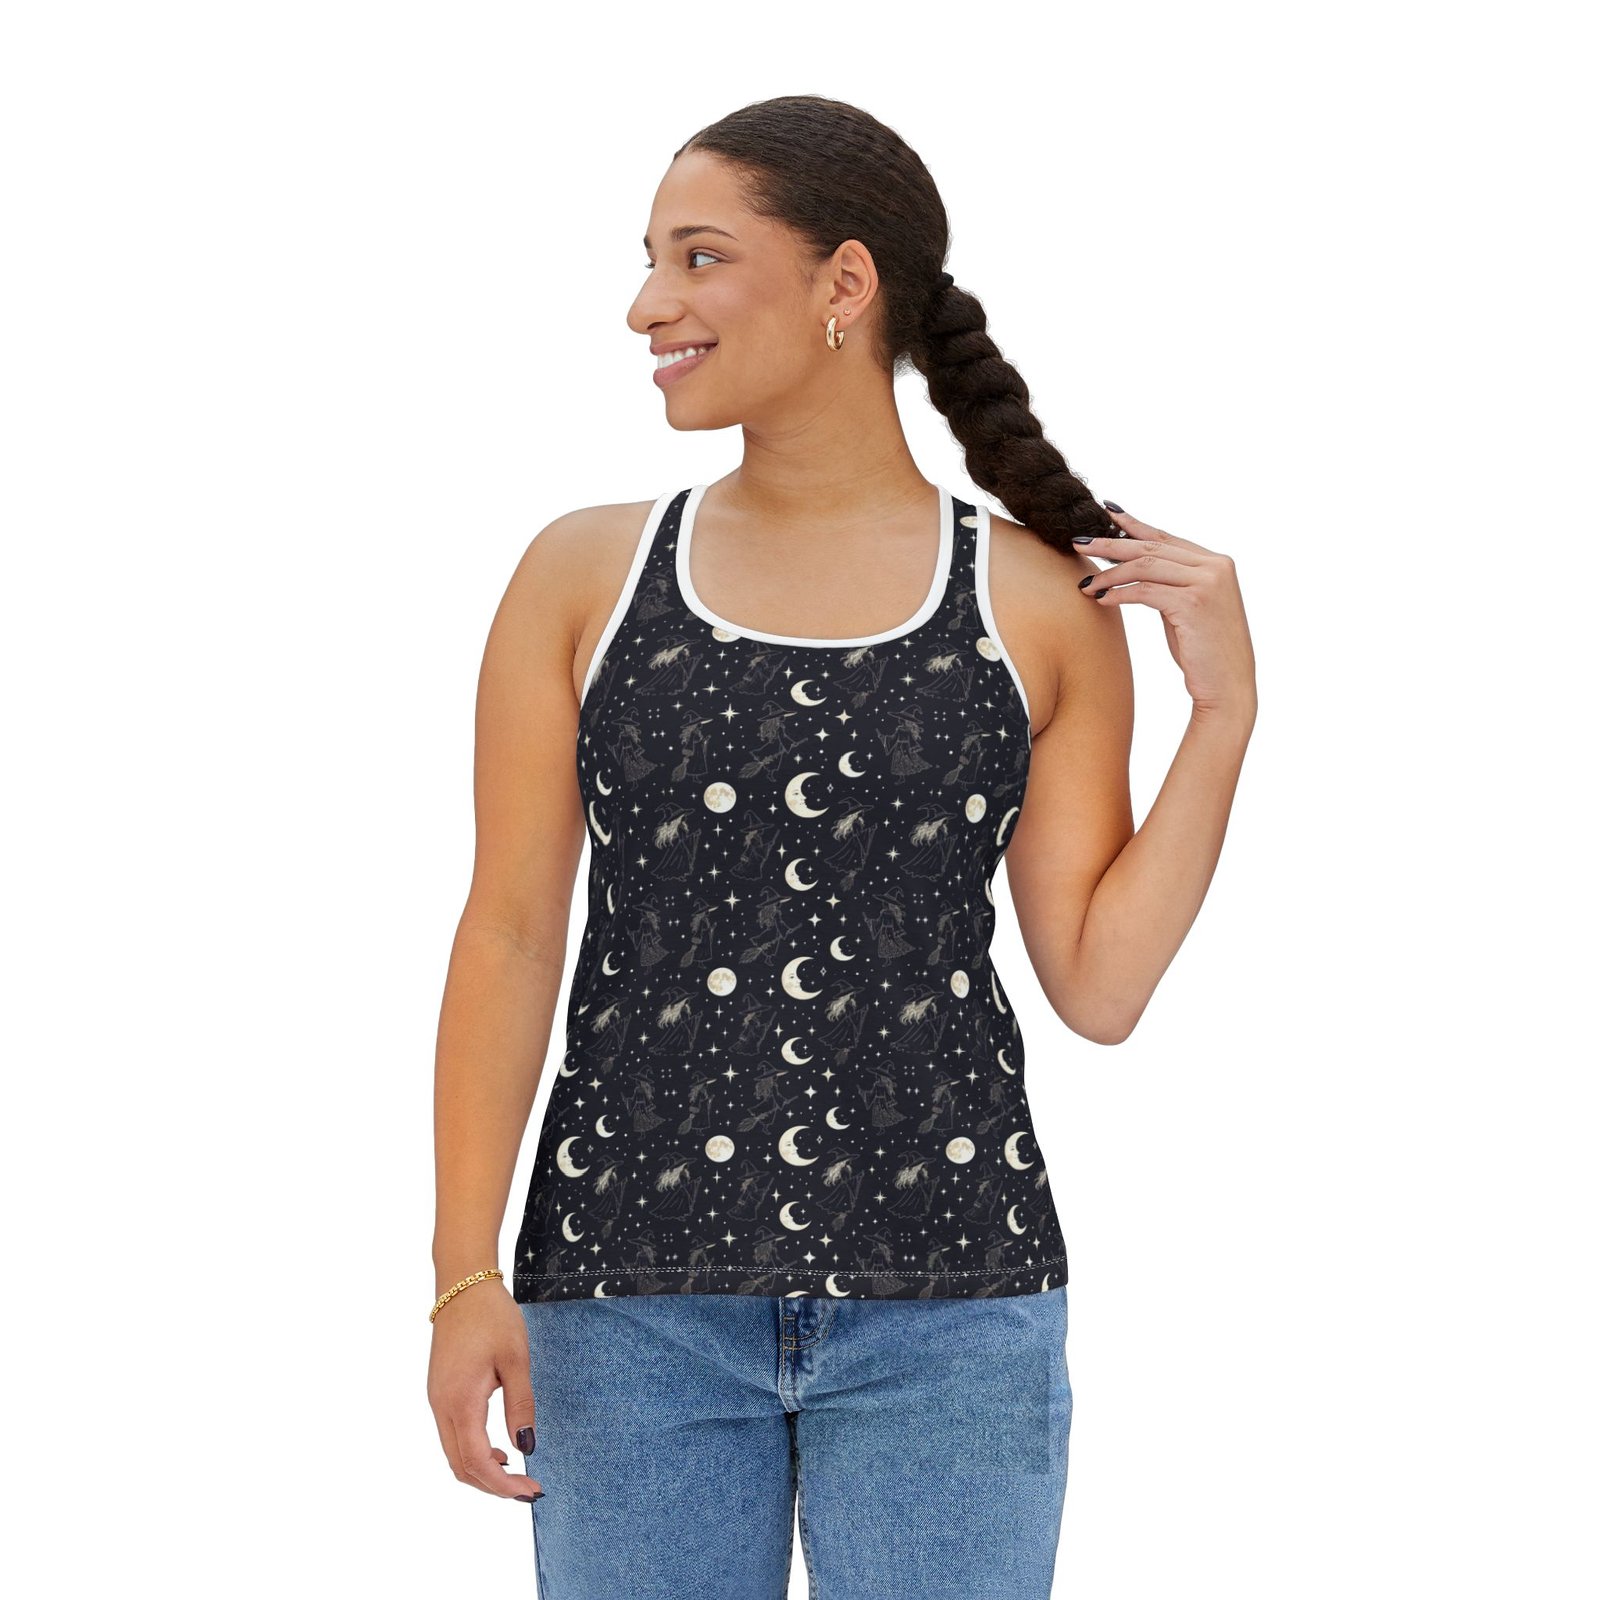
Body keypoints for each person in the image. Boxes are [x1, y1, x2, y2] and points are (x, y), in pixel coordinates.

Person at [427, 93, 1256, 1599]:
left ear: (844, 284)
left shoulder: (1035, 603)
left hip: (955, 1306)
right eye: (648, 259)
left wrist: (1225, 715)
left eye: (698, 256)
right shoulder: (584, 576)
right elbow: (511, 932)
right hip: (625, 1301)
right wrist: (462, 1274)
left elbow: (1100, 984)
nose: (647, 304)